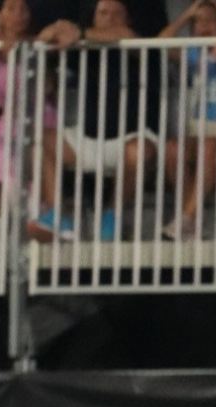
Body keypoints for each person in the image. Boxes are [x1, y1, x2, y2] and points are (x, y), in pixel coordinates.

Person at [30, 0, 163, 242]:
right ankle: (58, 215)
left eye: (116, 13)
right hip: (88, 139)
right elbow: (46, 45)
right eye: (103, 13)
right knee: (42, 138)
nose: (110, 18)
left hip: (129, 139)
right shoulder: (83, 47)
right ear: (93, 17)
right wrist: (52, 32)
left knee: (140, 151)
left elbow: (125, 36)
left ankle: (113, 215)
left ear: (128, 19)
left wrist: (76, 32)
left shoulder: (138, 43)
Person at [159, 0, 216, 239]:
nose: (204, 25)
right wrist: (188, 13)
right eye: (199, 21)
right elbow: (163, 41)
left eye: (210, 20)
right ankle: (190, 220)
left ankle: (186, 218)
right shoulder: (193, 52)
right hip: (198, 130)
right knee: (171, 149)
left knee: (209, 145)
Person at [0, 0, 52, 238]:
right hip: (7, 119)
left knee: (20, 153)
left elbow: (47, 86)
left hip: (37, 114)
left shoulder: (38, 44)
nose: (18, 15)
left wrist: (20, 51)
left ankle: (35, 215)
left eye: (23, 9)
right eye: (11, 9)